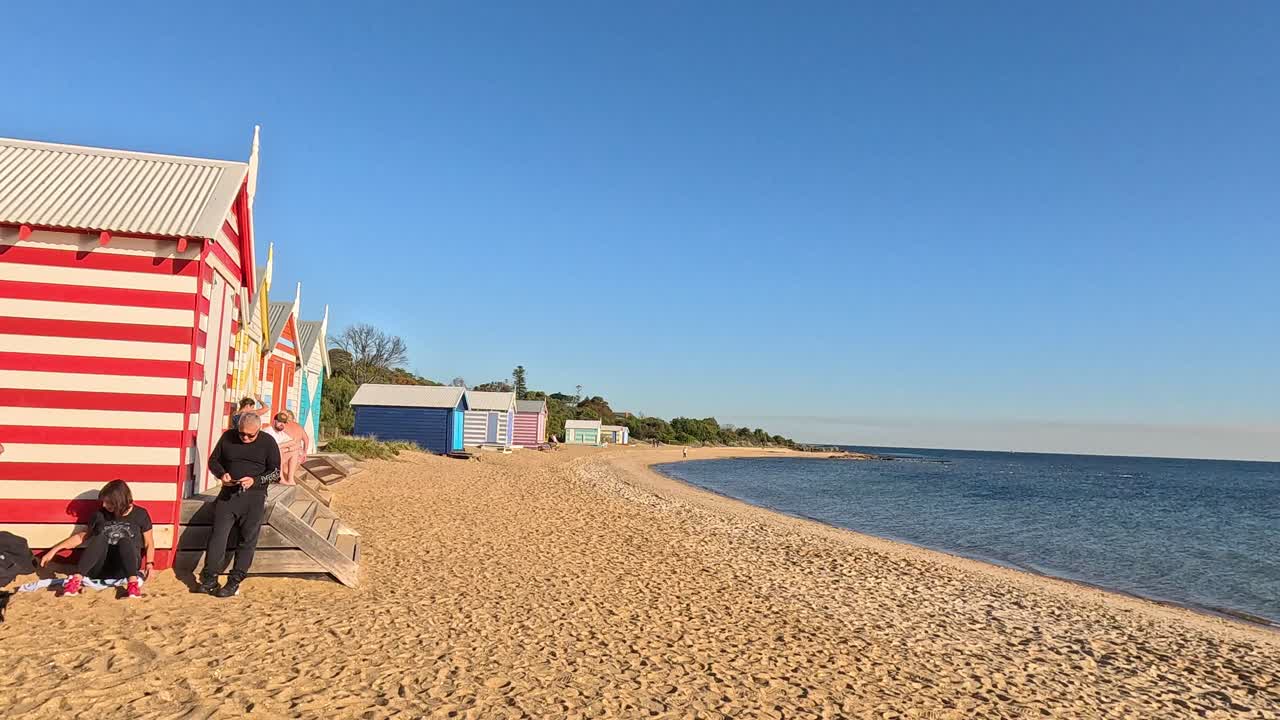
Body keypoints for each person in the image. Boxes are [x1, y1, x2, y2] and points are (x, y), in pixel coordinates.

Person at [198, 412, 281, 598]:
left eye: (250, 435)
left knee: (247, 539)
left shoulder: (268, 442)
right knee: (218, 535)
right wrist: (222, 474)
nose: (245, 438)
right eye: (242, 433)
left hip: (254, 496)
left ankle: (235, 580)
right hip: (228, 494)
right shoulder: (228, 437)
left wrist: (255, 480)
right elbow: (213, 461)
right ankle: (210, 578)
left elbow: (275, 472)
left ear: (258, 430)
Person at [40, 480, 154, 599]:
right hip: (100, 568)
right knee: (100, 537)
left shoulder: (140, 514)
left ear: (119, 501)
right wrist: (54, 550)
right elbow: (82, 537)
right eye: (103, 501)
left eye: (108, 502)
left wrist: (149, 564)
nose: (104, 505)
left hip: (125, 568)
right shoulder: (99, 515)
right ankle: (75, 582)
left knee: (124, 540)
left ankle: (133, 586)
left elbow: (149, 542)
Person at [262, 412, 299, 485]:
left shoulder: (281, 433)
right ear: (274, 421)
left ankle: (290, 479)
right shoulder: (268, 431)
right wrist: (282, 447)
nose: (282, 424)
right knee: (279, 452)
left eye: (284, 422)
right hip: (265, 462)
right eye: (279, 421)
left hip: (274, 460)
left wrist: (285, 448)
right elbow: (272, 449)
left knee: (295, 452)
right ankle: (280, 478)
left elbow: (295, 443)